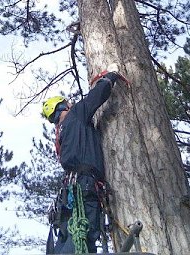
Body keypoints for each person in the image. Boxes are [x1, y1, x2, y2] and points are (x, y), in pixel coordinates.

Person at [42, 68, 129, 254]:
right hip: (85, 186)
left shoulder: (61, 134)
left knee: (68, 232)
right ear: (63, 107)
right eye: (68, 103)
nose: (71, 104)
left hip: (71, 190)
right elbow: (96, 96)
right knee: (85, 232)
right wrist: (109, 78)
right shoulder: (75, 115)